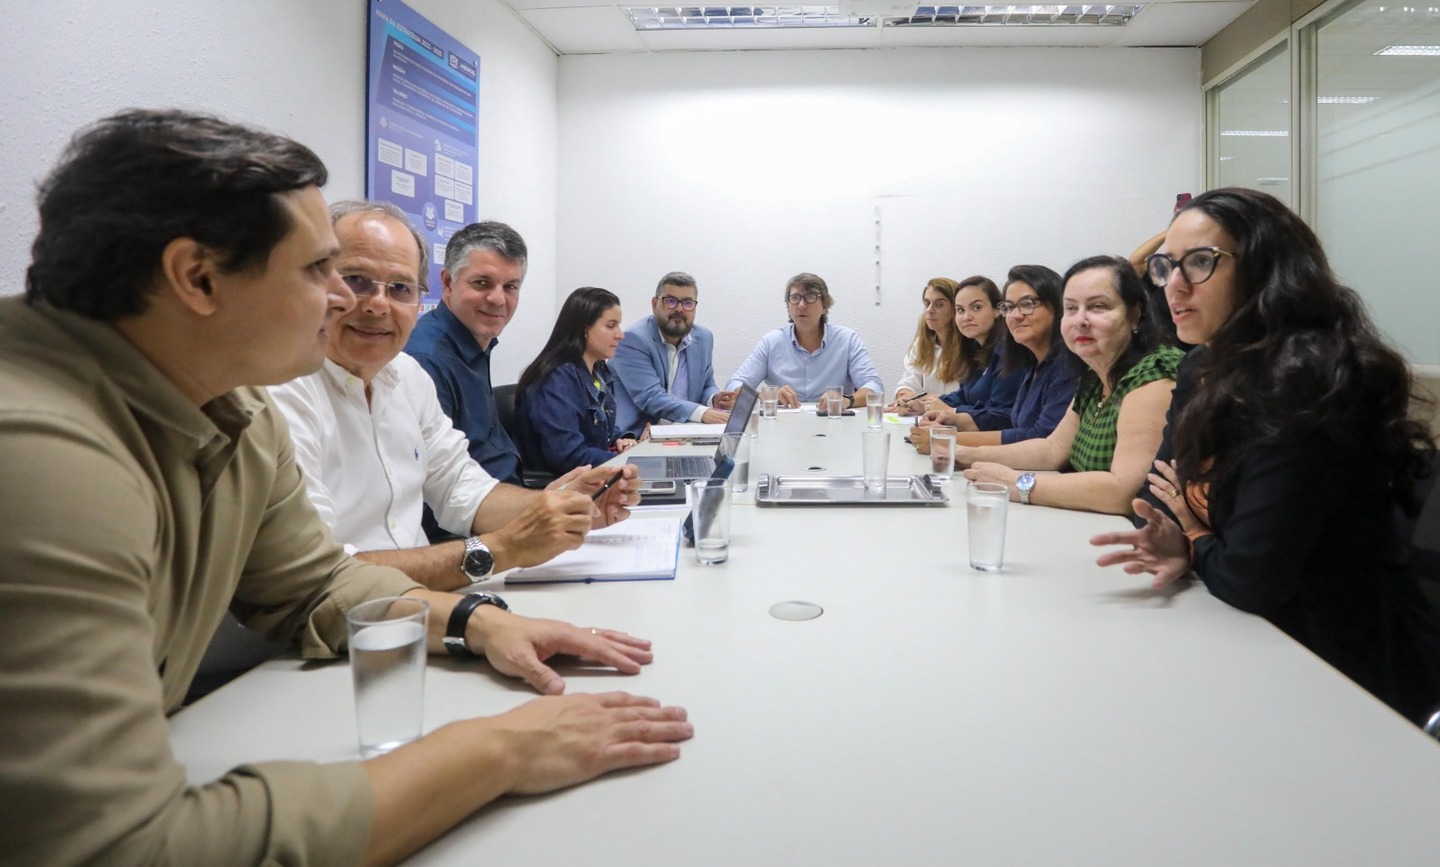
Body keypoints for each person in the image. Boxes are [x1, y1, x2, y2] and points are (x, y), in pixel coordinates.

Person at [0, 110, 692, 866]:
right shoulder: (39, 455)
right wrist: (498, 751)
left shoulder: (234, 403)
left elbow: (316, 583)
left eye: (385, 284)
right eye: (319, 272)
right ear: (196, 277)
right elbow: (118, 848)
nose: (344, 300)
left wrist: (479, 622)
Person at [1091, 187, 1440, 725]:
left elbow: (1250, 579)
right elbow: (1152, 500)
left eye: (1200, 262)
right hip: (1243, 640)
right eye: (1166, 266)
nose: (1174, 285)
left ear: (1266, 269)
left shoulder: (1307, 380)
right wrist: (1187, 539)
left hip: (1342, 673)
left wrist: (1193, 536)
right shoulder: (1202, 366)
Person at [270, 200, 640, 591]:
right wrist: (501, 548)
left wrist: (566, 506)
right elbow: (316, 575)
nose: (378, 305)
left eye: (400, 288)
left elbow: (462, 488)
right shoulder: (279, 393)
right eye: (357, 280)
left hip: (423, 596)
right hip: (354, 615)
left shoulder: (407, 376)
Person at [956, 256, 1184, 515]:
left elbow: (1124, 492)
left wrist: (1017, 483)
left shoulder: (1153, 375)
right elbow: (1052, 449)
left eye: (1098, 306)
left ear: (1135, 315)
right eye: (1071, 308)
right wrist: (964, 454)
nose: (1080, 320)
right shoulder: (1094, 376)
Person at [405, 221, 528, 486]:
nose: (498, 299)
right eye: (482, 283)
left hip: (505, 496)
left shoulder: (477, 343)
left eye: (510, 286)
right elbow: (434, 490)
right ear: (448, 282)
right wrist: (531, 505)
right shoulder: (426, 361)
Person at [911, 265, 1076, 453]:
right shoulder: (1031, 361)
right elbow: (1015, 424)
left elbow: (1037, 436)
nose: (1016, 315)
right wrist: (950, 417)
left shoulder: (1063, 365)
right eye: (1010, 307)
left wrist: (948, 439)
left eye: (1027, 304)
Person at [516, 287, 640, 475]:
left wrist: (621, 440)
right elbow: (567, 456)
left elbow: (601, 428)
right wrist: (624, 460)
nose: (620, 334)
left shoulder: (598, 371)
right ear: (584, 329)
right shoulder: (556, 379)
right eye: (611, 325)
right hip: (564, 484)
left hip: (593, 475)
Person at [725, 272, 884, 408]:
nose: (801, 305)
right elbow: (733, 386)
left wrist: (846, 400)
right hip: (784, 427)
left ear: (824, 306)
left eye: (810, 297)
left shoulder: (847, 340)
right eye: (795, 298)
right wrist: (768, 396)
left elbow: (875, 387)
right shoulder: (771, 342)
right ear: (788, 307)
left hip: (833, 423)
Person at [611, 270, 735, 433]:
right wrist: (702, 412)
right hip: (638, 437)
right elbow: (650, 397)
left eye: (687, 303)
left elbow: (707, 385)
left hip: (685, 431)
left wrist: (713, 399)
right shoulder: (633, 340)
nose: (679, 309)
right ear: (655, 304)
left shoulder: (703, 338)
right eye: (671, 301)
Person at [901, 275, 1021, 424]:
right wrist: (924, 405)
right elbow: (964, 395)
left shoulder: (1008, 350)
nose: (966, 317)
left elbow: (1001, 415)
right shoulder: (973, 348)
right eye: (960, 310)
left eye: (976, 308)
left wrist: (953, 411)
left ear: (998, 310)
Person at [888, 278, 962, 409]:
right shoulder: (921, 344)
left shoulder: (969, 345)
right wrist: (905, 397)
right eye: (927, 303)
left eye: (939, 304)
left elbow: (965, 398)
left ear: (955, 309)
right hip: (927, 417)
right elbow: (908, 382)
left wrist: (923, 400)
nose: (930, 310)